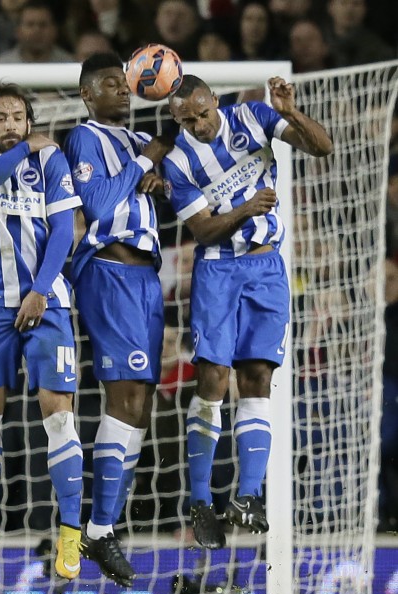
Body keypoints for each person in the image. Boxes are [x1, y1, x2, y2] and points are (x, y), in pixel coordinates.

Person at [162, 74, 333, 548]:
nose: (198, 124)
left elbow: (323, 148)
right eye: (187, 119)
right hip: (218, 270)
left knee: (259, 376)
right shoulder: (178, 162)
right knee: (214, 378)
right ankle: (199, 500)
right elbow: (203, 230)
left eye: (202, 112)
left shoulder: (252, 117)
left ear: (214, 100)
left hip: (268, 268)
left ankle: (248, 496)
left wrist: (290, 111)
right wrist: (247, 207)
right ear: (176, 119)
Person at [0, 84, 84, 581]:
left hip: (46, 303)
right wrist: (30, 145)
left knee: (58, 417)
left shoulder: (51, 164)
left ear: (29, 120)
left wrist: (42, 289)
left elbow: (64, 229)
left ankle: (70, 532)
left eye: (18, 117)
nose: (9, 123)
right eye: (0, 117)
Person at [64, 53, 175, 587]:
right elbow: (100, 203)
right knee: (125, 396)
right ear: (88, 95)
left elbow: (159, 181)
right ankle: (100, 526)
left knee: (140, 403)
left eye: (124, 81)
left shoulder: (134, 142)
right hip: (109, 271)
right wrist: (144, 164)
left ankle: (105, 524)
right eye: (110, 83)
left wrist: (158, 177)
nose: (123, 89)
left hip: (145, 278)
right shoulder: (85, 138)